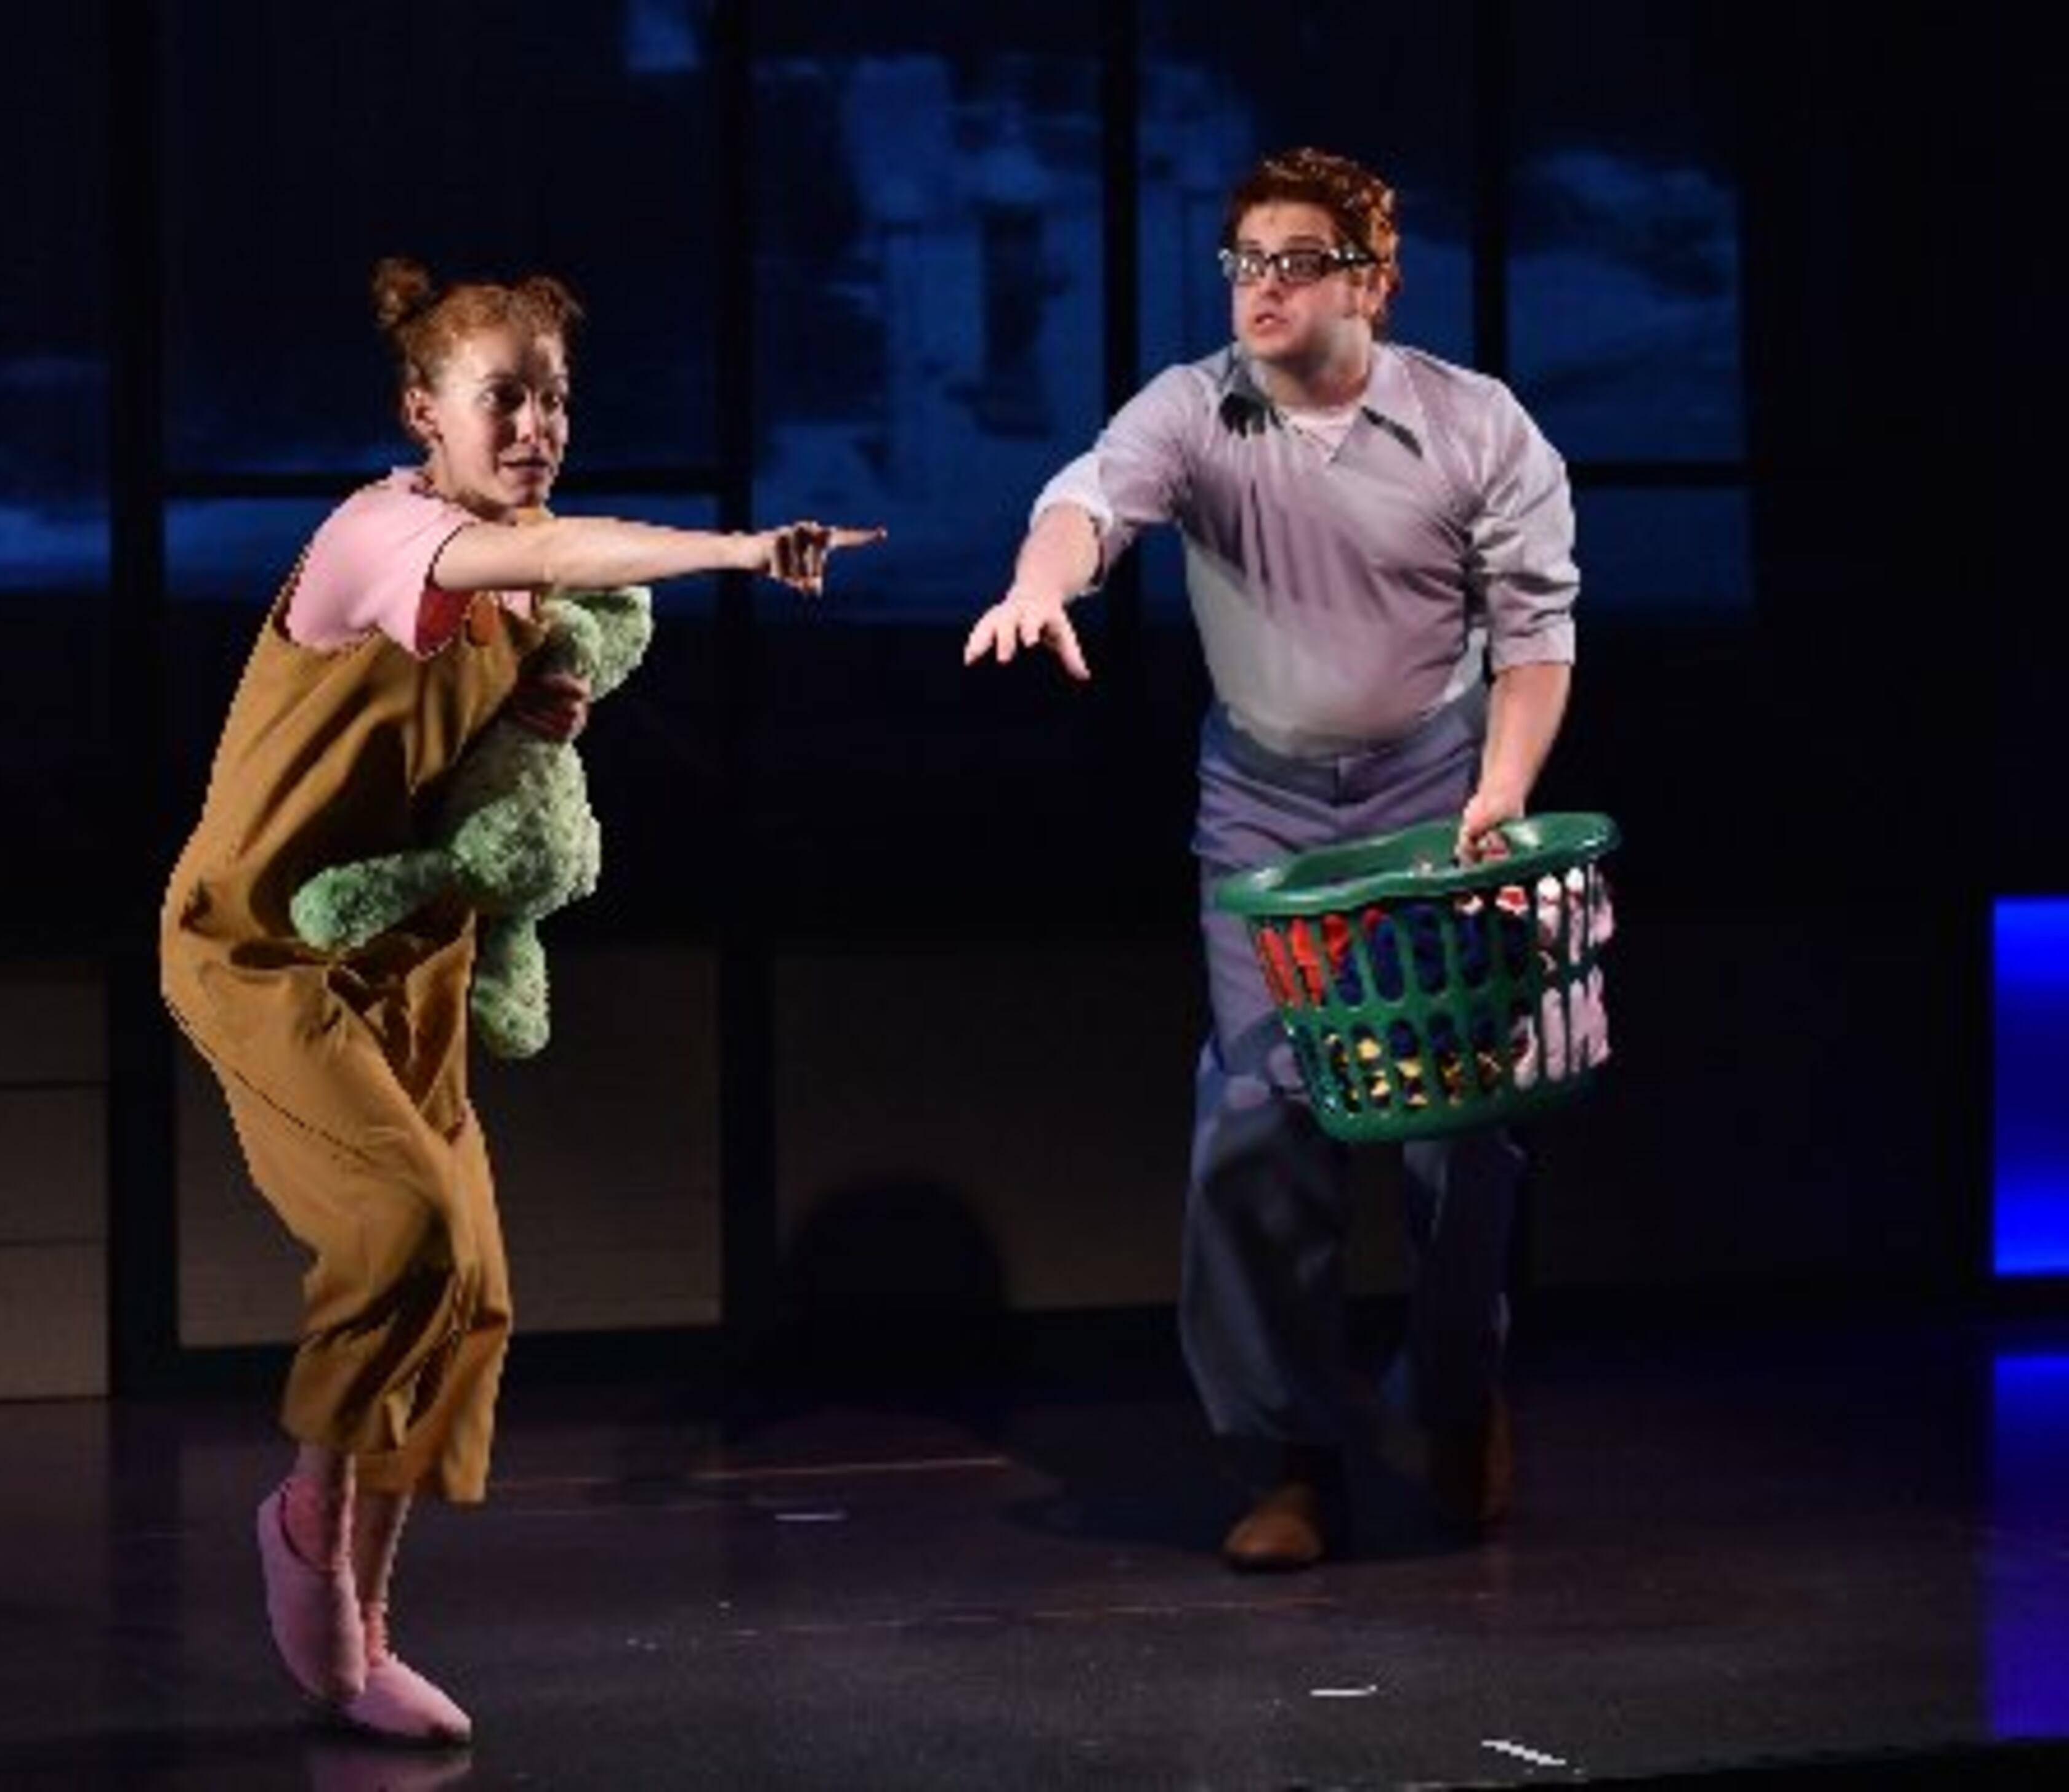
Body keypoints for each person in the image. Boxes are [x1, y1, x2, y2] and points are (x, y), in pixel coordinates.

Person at [160, 256, 882, 1743]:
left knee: (473, 1291)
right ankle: (304, 1523)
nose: (538, 423)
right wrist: (743, 552)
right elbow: (558, 558)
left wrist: (540, 708)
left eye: (556, 396)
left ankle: (363, 1628)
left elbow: (529, 649)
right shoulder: (384, 534)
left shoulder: (511, 568)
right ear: (424, 409)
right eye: (506, 395)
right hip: (267, 949)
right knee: (399, 1229)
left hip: (410, 951)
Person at [963, 147, 1576, 1571]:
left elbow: (1538, 637)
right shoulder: (1196, 408)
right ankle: (1291, 1455)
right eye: (1245, 261)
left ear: (1371, 277)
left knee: (1459, 1130)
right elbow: (1092, 503)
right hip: (1265, 808)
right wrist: (1036, 585)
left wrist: (1499, 791)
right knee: (1257, 1118)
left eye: (1298, 261)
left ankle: (1460, 1394)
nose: (1263, 287)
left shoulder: (1477, 425)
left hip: (1439, 791)